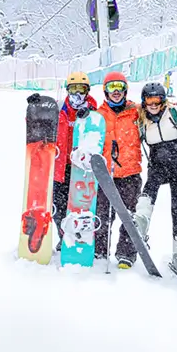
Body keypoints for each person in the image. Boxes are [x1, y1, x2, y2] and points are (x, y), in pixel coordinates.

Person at [132, 82, 177, 276]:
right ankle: (141, 219)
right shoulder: (141, 119)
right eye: (149, 99)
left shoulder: (175, 113)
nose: (153, 104)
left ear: (163, 100)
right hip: (157, 163)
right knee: (150, 187)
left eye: (157, 99)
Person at [95, 71, 143, 269]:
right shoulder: (98, 115)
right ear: (105, 91)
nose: (116, 92)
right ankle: (99, 249)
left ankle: (126, 252)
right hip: (106, 175)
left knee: (129, 215)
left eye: (119, 87)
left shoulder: (135, 111)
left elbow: (156, 109)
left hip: (130, 173)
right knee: (103, 214)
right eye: (112, 87)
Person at [52, 71, 99, 250]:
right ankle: (63, 237)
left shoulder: (94, 112)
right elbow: (38, 123)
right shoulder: (58, 109)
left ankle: (80, 237)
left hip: (81, 168)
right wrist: (37, 107)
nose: (77, 94)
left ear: (87, 91)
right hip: (61, 166)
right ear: (67, 90)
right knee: (59, 206)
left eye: (81, 89)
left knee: (79, 206)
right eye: (73, 89)